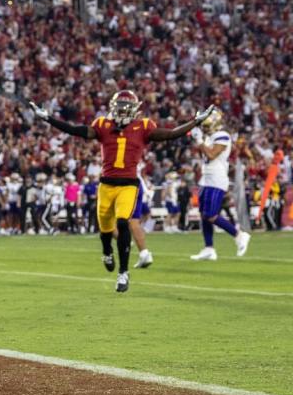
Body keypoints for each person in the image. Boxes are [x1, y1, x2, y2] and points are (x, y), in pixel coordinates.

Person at [31, 90, 214, 292]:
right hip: (106, 185)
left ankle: (123, 273)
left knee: (122, 222)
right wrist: (47, 118)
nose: (122, 112)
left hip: (128, 184)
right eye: (119, 108)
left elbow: (170, 134)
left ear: (134, 110)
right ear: (113, 108)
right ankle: (107, 251)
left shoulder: (143, 127)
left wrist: (194, 122)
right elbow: (75, 130)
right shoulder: (102, 125)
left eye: (126, 109)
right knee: (105, 232)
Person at [190, 108, 251, 261]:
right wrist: (201, 141)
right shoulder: (210, 136)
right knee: (204, 215)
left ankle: (239, 234)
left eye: (205, 124)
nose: (203, 127)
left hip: (216, 179)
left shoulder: (222, 136)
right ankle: (209, 248)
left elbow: (211, 154)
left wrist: (199, 141)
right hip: (206, 178)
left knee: (210, 215)